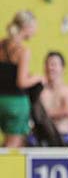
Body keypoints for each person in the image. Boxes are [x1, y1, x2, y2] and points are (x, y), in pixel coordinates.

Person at [0, 10, 44, 147]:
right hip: (16, 103)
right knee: (13, 146)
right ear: (26, 27)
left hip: (1, 99)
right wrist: (37, 78)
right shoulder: (22, 51)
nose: (35, 31)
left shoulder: (1, 44)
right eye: (34, 27)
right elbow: (21, 82)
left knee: (5, 145)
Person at [39, 51, 68, 145]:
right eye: (47, 64)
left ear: (62, 68)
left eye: (54, 64)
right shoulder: (41, 92)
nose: (50, 67)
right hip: (43, 138)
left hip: (64, 137)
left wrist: (43, 115)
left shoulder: (67, 91)